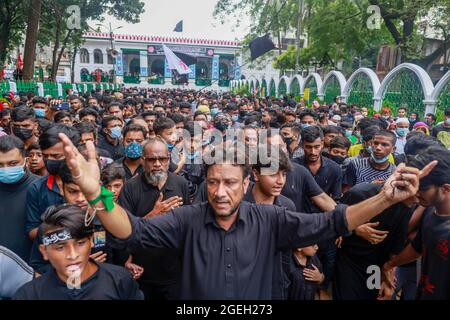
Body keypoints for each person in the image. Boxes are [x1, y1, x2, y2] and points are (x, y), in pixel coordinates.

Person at [57, 132, 433, 299]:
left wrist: (385, 199)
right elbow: (133, 232)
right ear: (204, 182)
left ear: (246, 181)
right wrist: (97, 193)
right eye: (213, 182)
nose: (221, 193)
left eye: (231, 183)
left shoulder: (272, 220)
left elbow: (334, 221)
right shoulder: (187, 219)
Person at [13, 205, 143, 300]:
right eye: (60, 247)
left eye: (80, 243)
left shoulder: (120, 281)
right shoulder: (29, 295)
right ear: (44, 251)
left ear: (91, 241)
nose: (73, 255)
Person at [118, 137, 189, 300]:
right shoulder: (131, 187)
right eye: (151, 159)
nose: (157, 164)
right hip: (142, 271)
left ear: (168, 159)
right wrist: (153, 215)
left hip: (174, 273)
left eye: (162, 159)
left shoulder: (181, 183)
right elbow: (123, 230)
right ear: (143, 161)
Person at [381, 146, 450, 300]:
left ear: (445, 188)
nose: (414, 192)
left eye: (422, 188)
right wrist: (389, 265)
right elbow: (417, 247)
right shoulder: (430, 211)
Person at [0, 136, 39, 262]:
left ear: (25, 161)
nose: (6, 169)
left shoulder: (40, 188)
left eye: (13, 163)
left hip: (32, 270)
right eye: (0, 165)